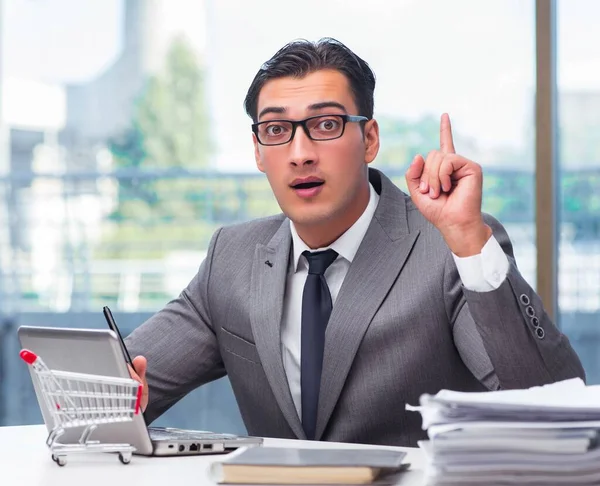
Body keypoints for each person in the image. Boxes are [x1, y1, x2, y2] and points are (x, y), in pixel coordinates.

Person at [125, 37, 584, 447]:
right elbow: (117, 386)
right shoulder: (232, 256)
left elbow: (551, 407)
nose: (301, 153)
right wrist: (93, 384)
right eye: (277, 130)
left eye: (325, 125)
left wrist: (467, 240)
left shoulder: (449, 247)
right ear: (259, 152)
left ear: (369, 139)